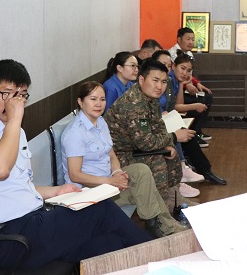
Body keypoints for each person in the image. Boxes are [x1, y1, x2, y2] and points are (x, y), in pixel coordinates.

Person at [0, 60, 149, 270]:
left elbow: (19, 187)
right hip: (7, 237)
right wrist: (15, 120)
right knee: (103, 209)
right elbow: (0, 170)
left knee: (109, 244)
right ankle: (162, 257)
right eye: (7, 94)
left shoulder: (14, 129)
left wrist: (57, 191)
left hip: (33, 222)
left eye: (22, 95)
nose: (15, 103)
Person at [60, 81, 186, 237]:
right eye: (93, 99)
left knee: (141, 171)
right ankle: (161, 227)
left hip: (107, 181)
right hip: (89, 191)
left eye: (102, 99)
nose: (99, 104)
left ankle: (158, 226)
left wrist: (117, 172)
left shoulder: (101, 122)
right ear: (80, 101)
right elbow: (75, 175)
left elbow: (111, 154)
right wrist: (110, 181)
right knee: (144, 191)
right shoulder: (75, 133)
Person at [106, 60, 226, 211]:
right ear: (142, 79)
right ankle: (161, 210)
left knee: (171, 153)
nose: (160, 86)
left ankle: (174, 198)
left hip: (135, 147)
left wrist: (168, 144)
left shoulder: (149, 98)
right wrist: (174, 137)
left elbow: (158, 126)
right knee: (158, 159)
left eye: (163, 82)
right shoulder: (134, 104)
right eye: (155, 80)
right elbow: (146, 143)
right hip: (119, 156)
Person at [150, 49, 204, 198]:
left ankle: (183, 169)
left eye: (168, 65)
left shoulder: (167, 82)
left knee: (181, 130)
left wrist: (181, 85)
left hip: (162, 121)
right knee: (177, 133)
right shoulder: (154, 85)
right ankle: (182, 171)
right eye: (163, 64)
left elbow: (172, 106)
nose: (166, 68)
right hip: (153, 130)